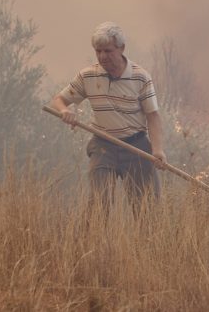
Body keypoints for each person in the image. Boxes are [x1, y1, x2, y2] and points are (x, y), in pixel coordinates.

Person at [51, 21, 166, 218]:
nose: (103, 57)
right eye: (98, 51)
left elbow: (152, 116)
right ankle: (92, 246)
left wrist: (157, 149)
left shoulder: (140, 77)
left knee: (147, 210)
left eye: (108, 51)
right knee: (99, 204)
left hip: (136, 146)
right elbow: (59, 100)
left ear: (121, 48)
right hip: (103, 145)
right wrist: (64, 111)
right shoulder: (88, 76)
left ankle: (149, 248)